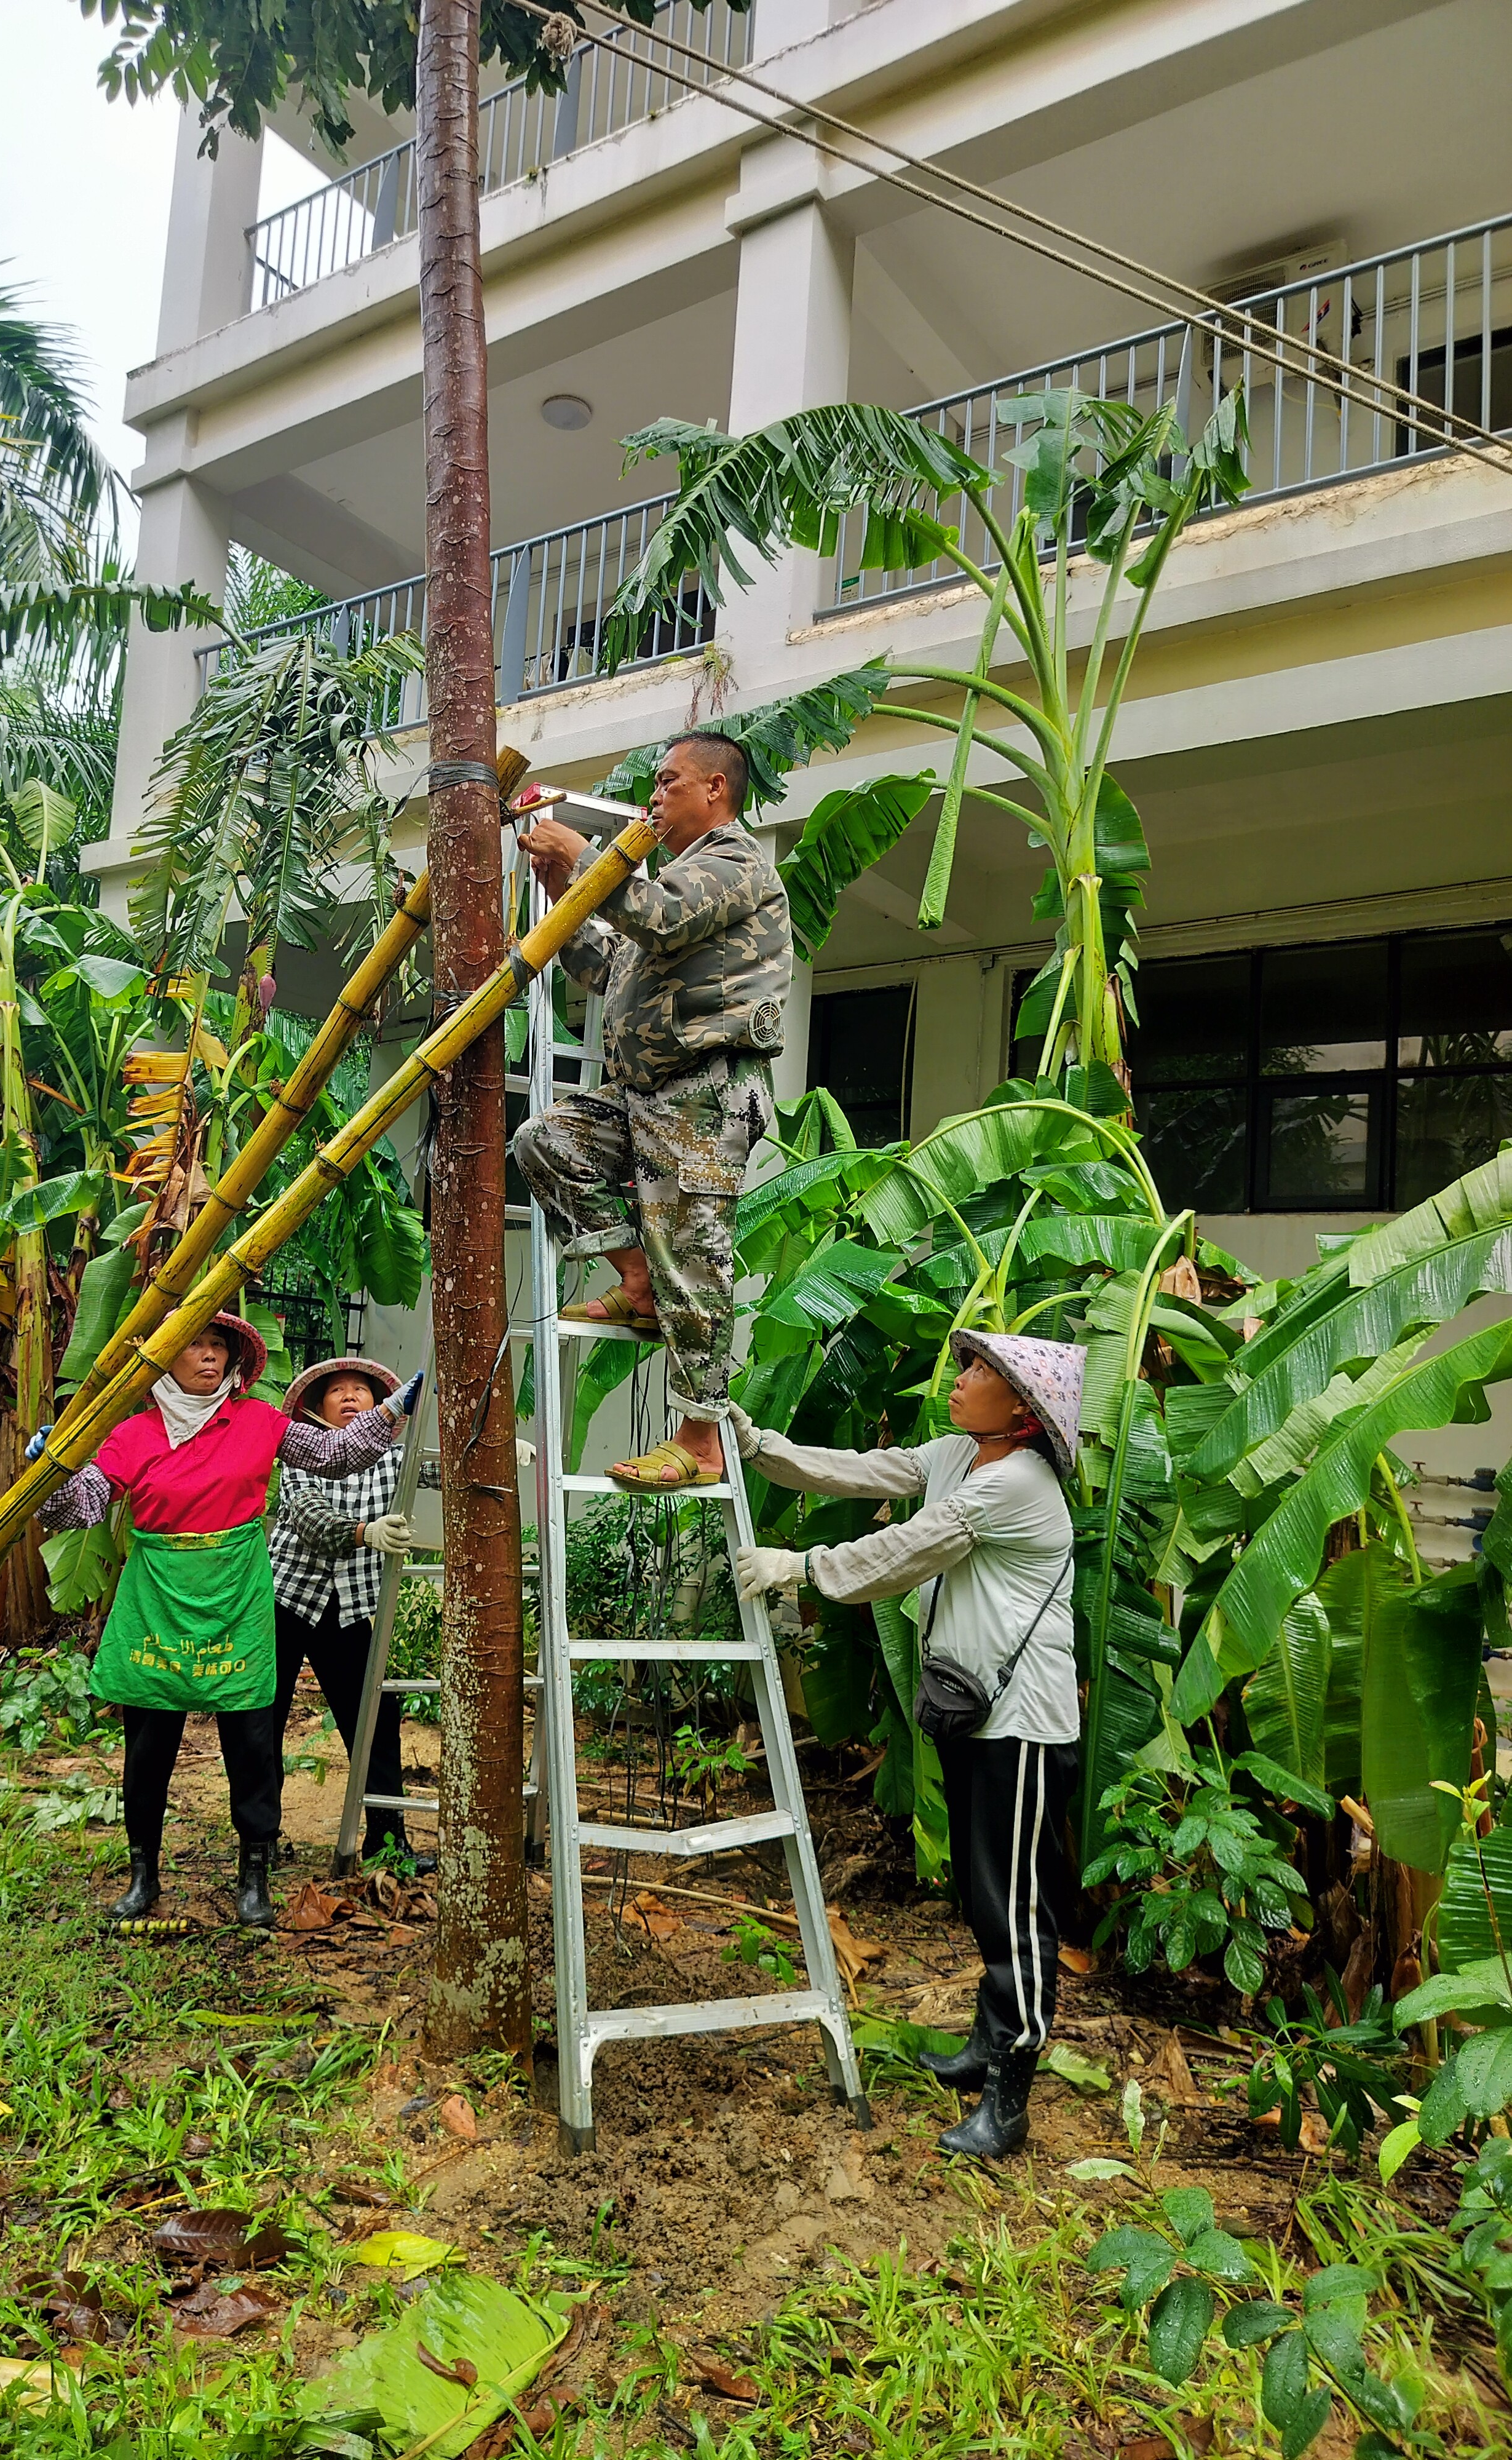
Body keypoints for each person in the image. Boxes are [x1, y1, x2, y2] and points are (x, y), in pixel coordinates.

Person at [731, 1330, 1086, 2159]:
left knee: (1016, 1908)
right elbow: (863, 1471)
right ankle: (985, 2047)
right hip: (978, 1717)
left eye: (980, 1372)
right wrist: (760, 1446)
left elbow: (906, 1550)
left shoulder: (1017, 1482)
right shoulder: (960, 1455)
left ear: (1023, 1411)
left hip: (1022, 1728)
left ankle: (1010, 2096)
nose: (959, 1379)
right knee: (985, 1894)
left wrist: (801, 1566)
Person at [34, 1313, 420, 1928]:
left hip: (237, 1597)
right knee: (149, 1744)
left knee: (251, 1741)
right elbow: (75, 1508)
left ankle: (254, 1876)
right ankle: (143, 1875)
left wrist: (393, 1408)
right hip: (158, 1600)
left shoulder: (258, 1421)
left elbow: (335, 1453)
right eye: (194, 1344)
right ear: (166, 1357)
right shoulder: (134, 1434)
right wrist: (51, 1470)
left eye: (218, 1345)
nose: (209, 1354)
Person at [512, 732, 790, 1496]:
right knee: (546, 1139)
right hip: (644, 1093)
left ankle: (702, 1438)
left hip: (705, 1090)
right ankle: (635, 1281)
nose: (656, 796)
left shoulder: (733, 863)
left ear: (716, 790)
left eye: (670, 782)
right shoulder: (677, 877)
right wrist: (565, 891)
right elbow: (607, 966)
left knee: (692, 1258)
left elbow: (657, 917)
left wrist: (588, 858)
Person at [268, 1355, 438, 1870]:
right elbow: (312, 1521)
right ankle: (261, 1841)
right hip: (284, 1601)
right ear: (317, 1408)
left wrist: (496, 1453)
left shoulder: (394, 1458)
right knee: (263, 1721)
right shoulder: (301, 1457)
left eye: (359, 1389)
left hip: (348, 1607)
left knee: (375, 1721)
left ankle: (388, 1846)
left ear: (379, 1404)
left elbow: (442, 1469)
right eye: (336, 1390)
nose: (348, 1396)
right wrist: (366, 1533)